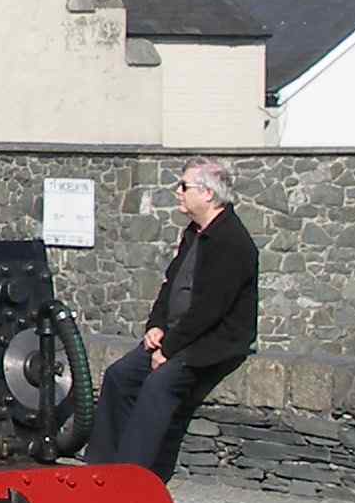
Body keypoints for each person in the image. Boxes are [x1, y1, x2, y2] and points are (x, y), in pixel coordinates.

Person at [90, 156, 258, 479]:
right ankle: (101, 470)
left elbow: (209, 310)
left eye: (184, 186)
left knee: (159, 386)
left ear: (208, 194)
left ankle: (134, 478)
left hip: (211, 343)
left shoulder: (232, 242)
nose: (177, 191)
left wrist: (168, 350)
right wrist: (155, 326)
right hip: (178, 335)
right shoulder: (194, 233)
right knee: (119, 376)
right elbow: (171, 286)